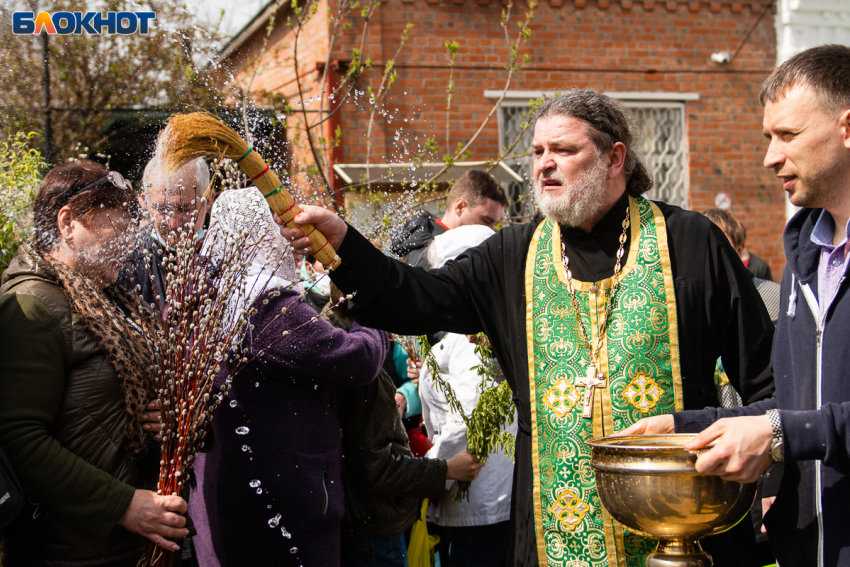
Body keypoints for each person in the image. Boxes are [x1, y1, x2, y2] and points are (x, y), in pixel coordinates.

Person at [279, 89, 775, 566]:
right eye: (537, 150)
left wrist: (773, 489)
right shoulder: (513, 255)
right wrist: (346, 242)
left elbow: (766, 378)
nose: (543, 163)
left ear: (614, 157)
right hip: (552, 531)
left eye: (563, 149)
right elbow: (413, 298)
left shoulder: (690, 242)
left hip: (684, 530)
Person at [624, 44, 850, 567]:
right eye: (768, 138)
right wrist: (685, 426)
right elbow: (797, 406)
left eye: (787, 136)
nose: (771, 157)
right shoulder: (805, 257)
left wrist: (778, 435)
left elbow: (795, 426)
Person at [187, 187, 388, 566]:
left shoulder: (214, 297)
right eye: (280, 229)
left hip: (240, 486)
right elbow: (356, 360)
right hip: (287, 497)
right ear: (262, 233)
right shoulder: (263, 305)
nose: (293, 245)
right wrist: (370, 316)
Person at [0, 161, 188, 565]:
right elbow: (18, 436)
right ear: (67, 223)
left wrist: (159, 414)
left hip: (125, 546)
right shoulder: (31, 306)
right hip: (68, 551)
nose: (129, 242)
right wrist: (123, 506)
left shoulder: (109, 299)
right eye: (117, 229)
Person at [324, 284, 485, 567]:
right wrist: (446, 469)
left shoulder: (334, 345)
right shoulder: (361, 369)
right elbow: (378, 468)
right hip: (374, 526)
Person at [415, 224, 517, 566]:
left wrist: (433, 472)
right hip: (483, 496)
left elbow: (468, 420)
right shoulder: (482, 329)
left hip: (474, 498)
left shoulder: (470, 338)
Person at [118, 155, 210, 307]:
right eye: (161, 209)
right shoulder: (126, 263)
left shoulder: (228, 258)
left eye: (184, 209)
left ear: (209, 199)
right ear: (146, 202)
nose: (173, 224)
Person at [390, 169, 508, 268]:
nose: (491, 230)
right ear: (460, 207)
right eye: (486, 220)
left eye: (495, 223)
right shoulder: (434, 253)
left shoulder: (424, 242)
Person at [704, 207, 774, 281]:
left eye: (720, 244)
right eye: (704, 244)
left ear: (739, 250)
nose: (711, 251)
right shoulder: (692, 289)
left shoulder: (760, 270)